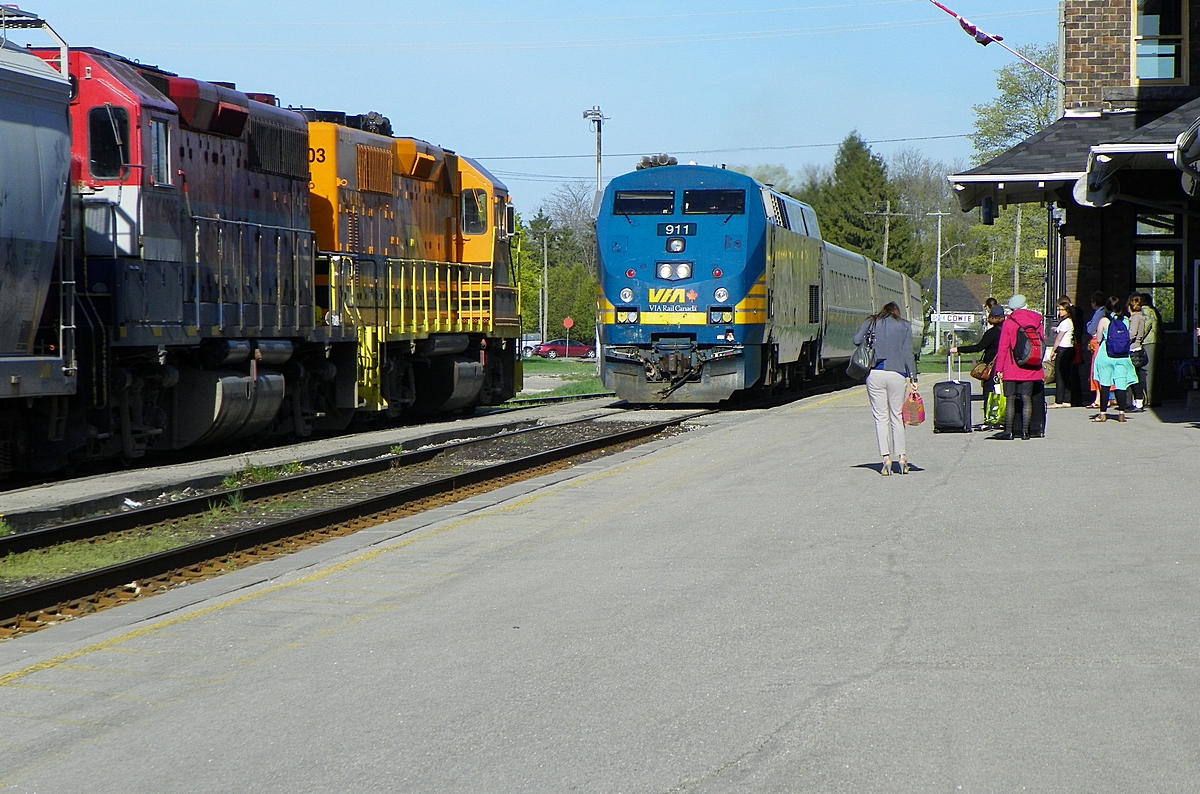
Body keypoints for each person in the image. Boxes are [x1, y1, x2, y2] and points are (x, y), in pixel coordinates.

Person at [854, 302, 917, 475]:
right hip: (897, 374)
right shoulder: (904, 325)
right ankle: (902, 458)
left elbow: (856, 340)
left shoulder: (872, 321)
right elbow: (907, 353)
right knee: (897, 416)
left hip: (875, 374)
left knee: (881, 418)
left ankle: (886, 460)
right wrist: (913, 378)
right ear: (896, 312)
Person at [992, 294, 1046, 440]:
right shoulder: (1037, 321)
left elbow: (1003, 347)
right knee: (1026, 398)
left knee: (1010, 399)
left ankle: (1009, 431)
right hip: (1030, 366)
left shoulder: (1009, 322)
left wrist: (999, 369)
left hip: (1011, 365)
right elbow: (1041, 342)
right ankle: (1025, 432)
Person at [951, 304, 1004, 428]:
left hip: (993, 366)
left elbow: (979, 347)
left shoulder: (992, 333)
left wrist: (958, 349)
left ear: (994, 317)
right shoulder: (1008, 330)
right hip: (1006, 365)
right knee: (1003, 392)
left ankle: (990, 418)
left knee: (989, 392)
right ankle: (1003, 417)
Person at [1091, 295, 1138, 422]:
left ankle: (1103, 413)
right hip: (1122, 356)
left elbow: (1099, 339)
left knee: (1105, 385)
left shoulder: (1104, 321)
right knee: (1121, 384)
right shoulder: (1126, 320)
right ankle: (1121, 413)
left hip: (1106, 355)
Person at [1048, 298, 1082, 408]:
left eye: (1062, 310)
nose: (1060, 312)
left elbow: (1059, 339)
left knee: (1060, 375)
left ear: (1067, 311)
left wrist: (1053, 350)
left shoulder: (1066, 322)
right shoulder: (1069, 321)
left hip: (1063, 349)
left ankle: (1059, 400)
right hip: (1069, 349)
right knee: (1066, 375)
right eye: (1059, 309)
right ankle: (1066, 400)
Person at [1084, 291, 1107, 408]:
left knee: (1096, 370)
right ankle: (1103, 397)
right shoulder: (1105, 312)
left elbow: (1091, 328)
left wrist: (1089, 324)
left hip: (1097, 342)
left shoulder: (1099, 313)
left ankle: (1098, 398)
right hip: (1102, 343)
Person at [1126, 294, 1147, 411]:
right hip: (1138, 347)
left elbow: (1132, 333)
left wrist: (1123, 341)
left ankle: (1138, 402)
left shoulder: (1135, 318)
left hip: (1133, 348)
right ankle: (1137, 401)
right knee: (1136, 376)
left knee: (1134, 377)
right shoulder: (1141, 317)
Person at [1140, 292, 1160, 407]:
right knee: (1154, 371)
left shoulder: (1146, 310)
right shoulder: (1154, 310)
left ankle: (1149, 399)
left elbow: (1146, 326)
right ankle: (1154, 398)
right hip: (1156, 340)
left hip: (1149, 342)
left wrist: (1138, 338)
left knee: (1148, 371)